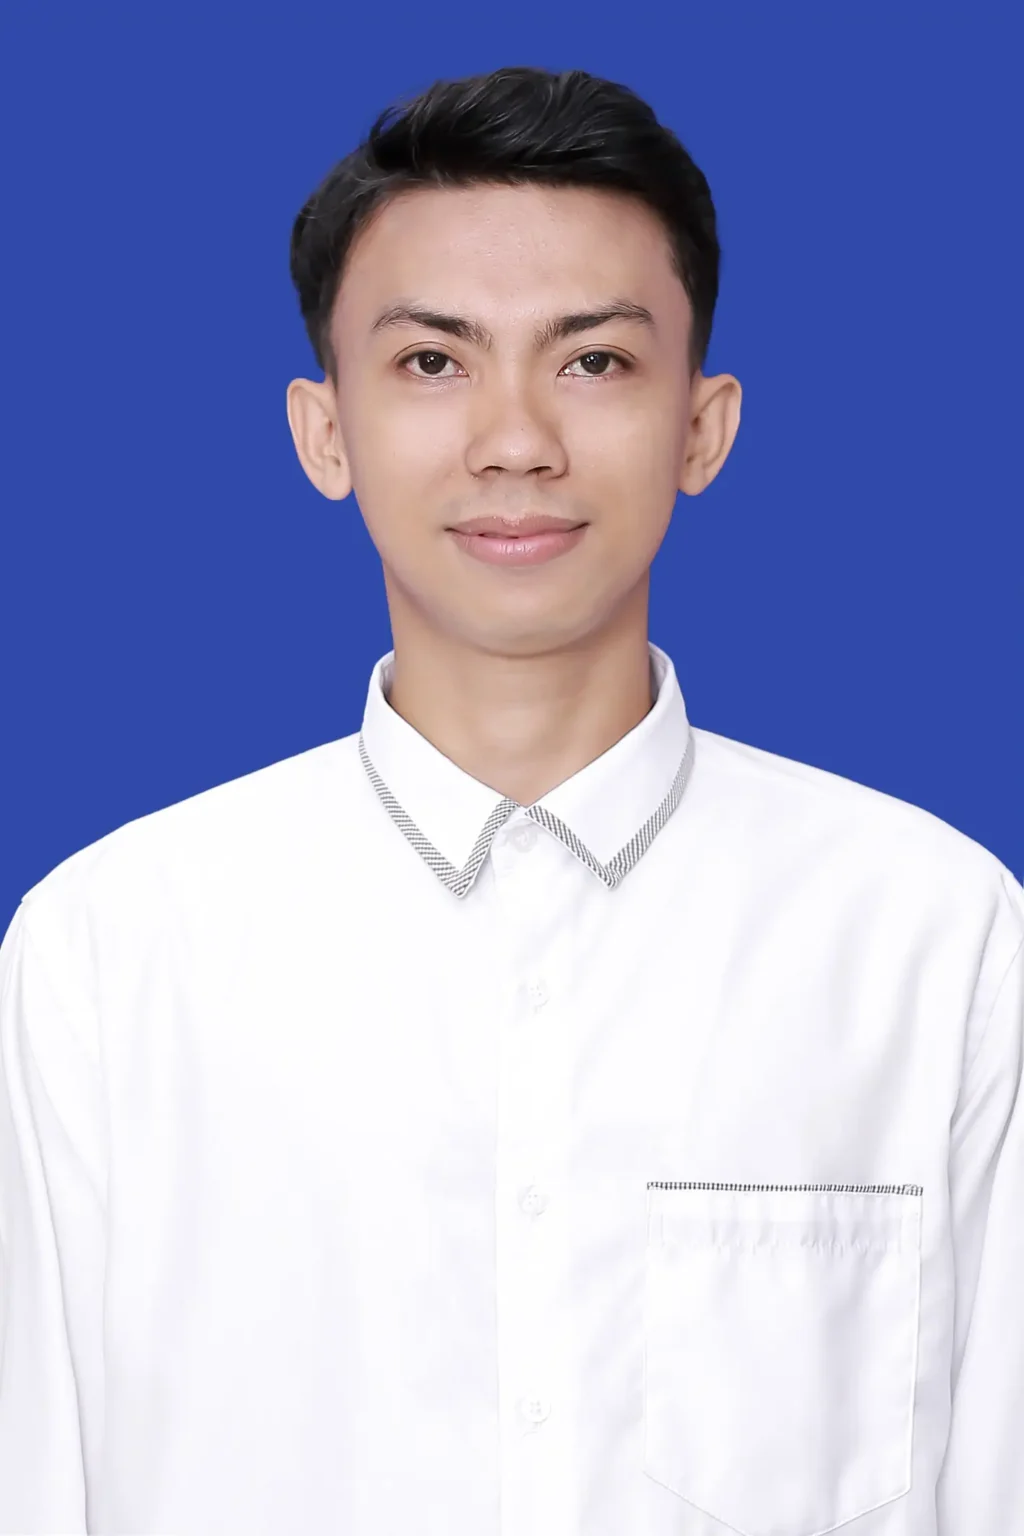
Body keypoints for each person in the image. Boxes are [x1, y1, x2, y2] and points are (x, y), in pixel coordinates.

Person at [0, 63, 1020, 1536]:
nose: (516, 438)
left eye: (594, 361)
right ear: (325, 432)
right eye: (433, 362)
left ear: (704, 426)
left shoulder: (934, 939)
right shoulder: (108, 955)